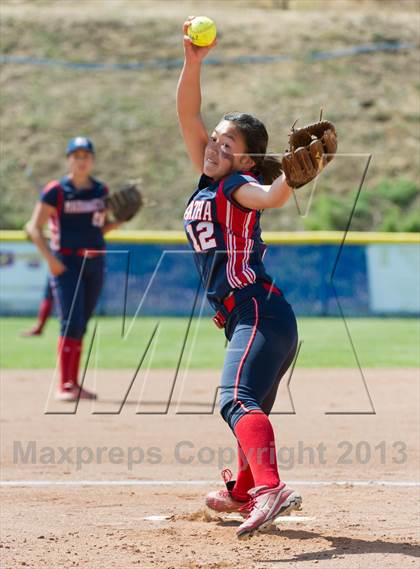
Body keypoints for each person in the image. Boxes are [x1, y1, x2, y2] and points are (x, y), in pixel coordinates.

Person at [177, 18, 304, 539]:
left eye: (227, 145)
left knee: (234, 399)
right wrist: (193, 62)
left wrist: (288, 179)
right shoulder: (210, 180)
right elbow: (188, 115)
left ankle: (269, 489)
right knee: (249, 404)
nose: (214, 147)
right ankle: (242, 489)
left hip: (257, 310)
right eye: (216, 140)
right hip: (253, 317)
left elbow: (270, 197)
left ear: (247, 159)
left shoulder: (238, 186)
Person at [26, 137, 120, 401]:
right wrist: (51, 260)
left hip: (95, 262)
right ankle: (64, 385)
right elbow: (34, 227)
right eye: (76, 155)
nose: (81, 160)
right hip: (66, 263)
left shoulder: (101, 190)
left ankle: (75, 383)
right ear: (69, 159)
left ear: (92, 159)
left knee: (81, 323)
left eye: (85, 155)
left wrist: (120, 221)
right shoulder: (56, 190)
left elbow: (98, 228)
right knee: (70, 322)